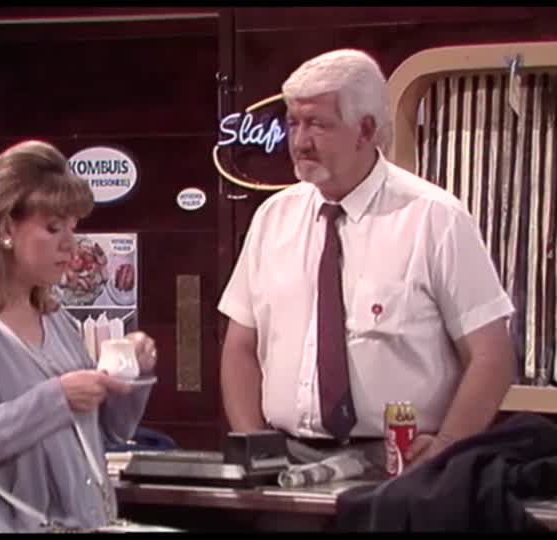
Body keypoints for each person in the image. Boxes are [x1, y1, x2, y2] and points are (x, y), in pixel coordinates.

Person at [218, 48, 516, 470]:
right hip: (286, 459)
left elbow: (491, 356)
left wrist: (448, 446)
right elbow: (240, 347)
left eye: (317, 124)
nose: (299, 142)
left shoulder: (434, 218)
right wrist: (254, 446)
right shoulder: (273, 217)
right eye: (293, 123)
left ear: (365, 130)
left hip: (400, 462)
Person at [0, 140, 157, 533]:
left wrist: (131, 373)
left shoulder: (56, 320)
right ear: (6, 228)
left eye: (73, 227)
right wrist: (59, 397)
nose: (70, 244)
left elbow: (108, 432)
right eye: (53, 228)